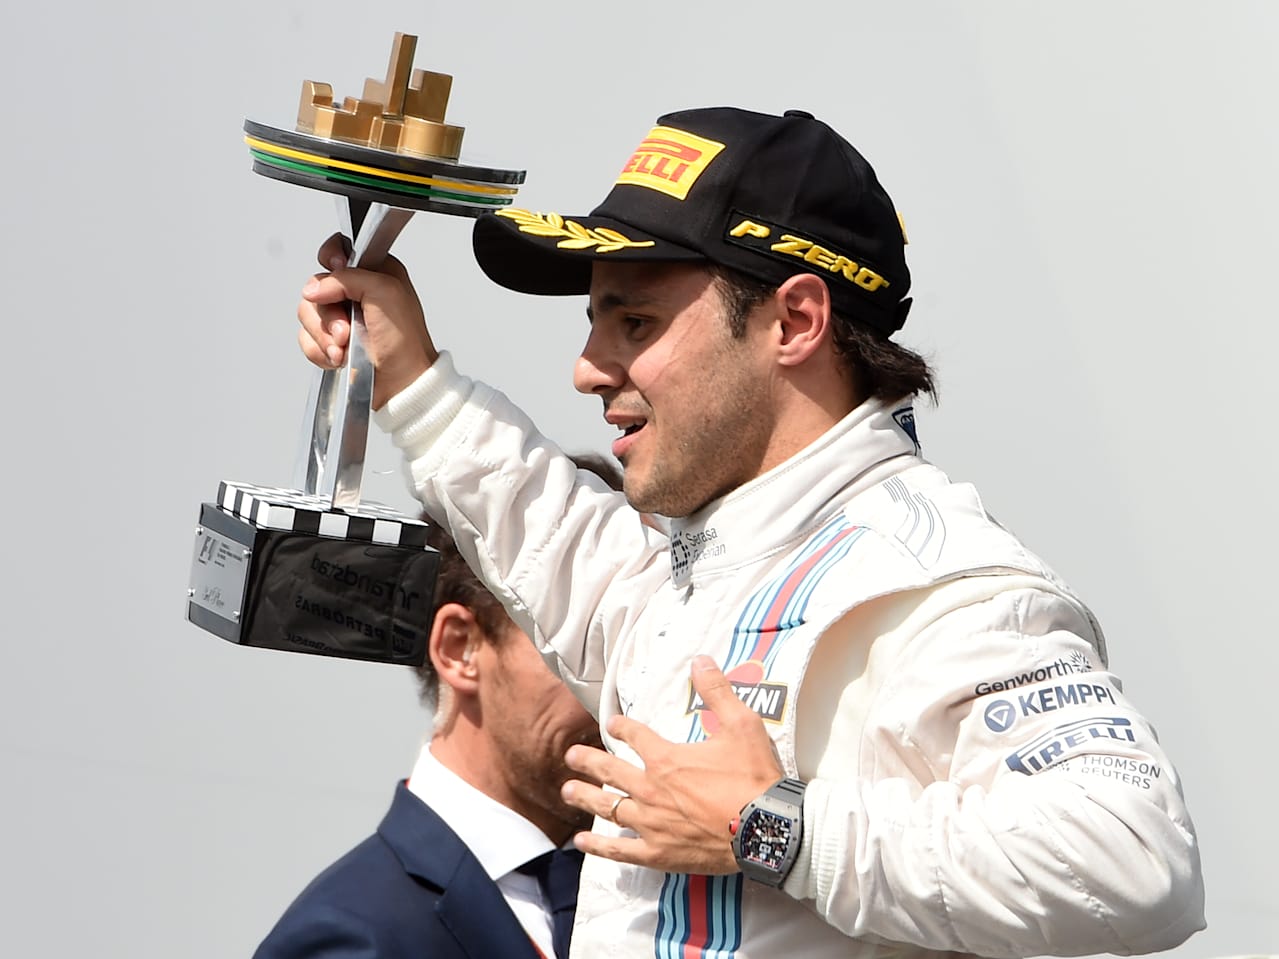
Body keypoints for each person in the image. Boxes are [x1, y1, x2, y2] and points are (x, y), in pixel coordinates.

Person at [294, 106, 1206, 958]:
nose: (586, 368)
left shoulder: (936, 578)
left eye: (635, 320)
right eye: (595, 320)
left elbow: (1138, 857)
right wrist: (409, 370)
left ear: (796, 321)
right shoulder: (712, 563)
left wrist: (772, 828)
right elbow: (550, 534)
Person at [255, 455, 621, 959]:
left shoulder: (662, 894)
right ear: (459, 649)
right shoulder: (357, 936)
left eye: (647, 641)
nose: (627, 682)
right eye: (588, 642)